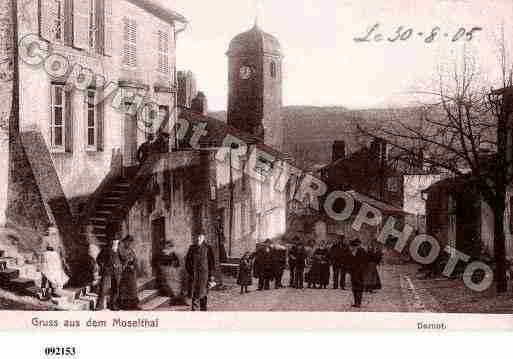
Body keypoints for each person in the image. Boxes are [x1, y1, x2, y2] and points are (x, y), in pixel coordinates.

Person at [185, 234, 216, 311]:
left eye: (201, 237)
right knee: (194, 292)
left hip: (204, 275)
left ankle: (203, 309)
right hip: (194, 275)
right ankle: (194, 310)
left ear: (204, 238)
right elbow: (187, 262)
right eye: (198, 237)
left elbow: (211, 262)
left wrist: (211, 275)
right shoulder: (192, 248)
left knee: (203, 293)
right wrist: (191, 272)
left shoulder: (208, 248)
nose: (199, 238)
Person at [39, 226, 69, 300]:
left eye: (53, 233)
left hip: (55, 257)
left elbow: (60, 249)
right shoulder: (45, 238)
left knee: (55, 275)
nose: (52, 234)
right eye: (49, 232)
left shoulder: (57, 239)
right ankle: (44, 293)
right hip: (47, 256)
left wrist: (62, 259)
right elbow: (42, 248)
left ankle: (54, 291)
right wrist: (41, 260)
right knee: (46, 275)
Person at [96, 234, 123, 310]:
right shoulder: (106, 249)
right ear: (111, 242)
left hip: (117, 272)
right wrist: (103, 266)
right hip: (107, 271)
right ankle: (99, 306)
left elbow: (123, 259)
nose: (115, 243)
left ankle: (113, 305)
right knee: (103, 288)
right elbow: (99, 259)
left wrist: (120, 266)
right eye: (113, 241)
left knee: (115, 289)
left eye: (117, 241)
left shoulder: (120, 250)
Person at [118, 235, 140, 310]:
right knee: (125, 289)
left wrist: (134, 265)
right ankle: (124, 305)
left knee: (133, 289)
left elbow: (135, 259)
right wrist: (128, 261)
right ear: (125, 242)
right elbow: (122, 260)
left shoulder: (131, 250)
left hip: (131, 272)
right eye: (128, 242)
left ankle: (134, 305)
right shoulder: (121, 249)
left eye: (131, 242)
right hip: (124, 272)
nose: (130, 244)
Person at [347, 239, 368, 308]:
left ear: (355, 246)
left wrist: (362, 270)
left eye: (351, 247)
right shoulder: (350, 253)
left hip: (360, 273)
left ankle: (359, 302)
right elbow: (348, 262)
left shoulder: (362, 251)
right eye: (350, 247)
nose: (350, 248)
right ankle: (356, 302)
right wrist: (349, 270)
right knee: (354, 288)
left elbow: (365, 261)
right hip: (353, 272)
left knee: (359, 287)